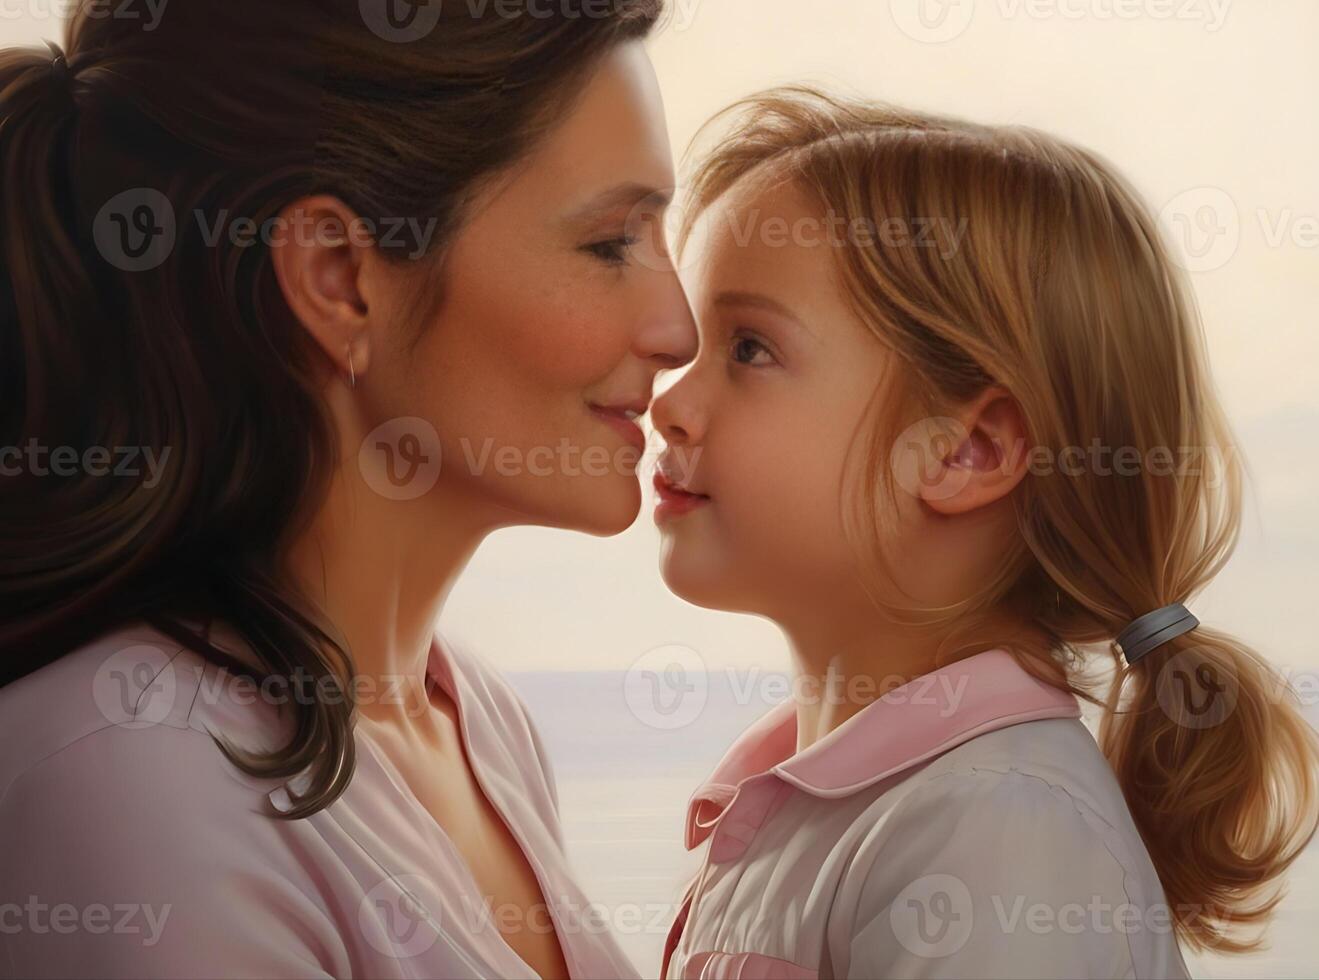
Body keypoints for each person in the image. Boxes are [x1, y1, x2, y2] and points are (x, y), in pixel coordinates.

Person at [0, 2, 696, 977]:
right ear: (339, 279)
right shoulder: (129, 775)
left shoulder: (478, 719)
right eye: (609, 244)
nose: (677, 329)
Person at [648, 85, 1319, 979]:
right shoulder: (826, 797)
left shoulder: (999, 826)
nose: (669, 404)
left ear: (967, 449)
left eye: (748, 350)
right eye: (693, 346)